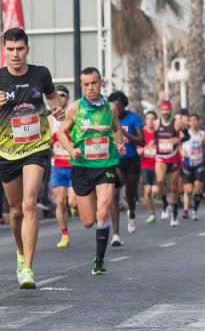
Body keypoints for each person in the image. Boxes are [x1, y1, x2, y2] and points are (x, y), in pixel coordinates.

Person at [0, 28, 64, 289]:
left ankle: (28, 268)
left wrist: (58, 110)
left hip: (36, 146)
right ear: (5, 50)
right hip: (7, 151)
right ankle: (20, 253)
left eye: (20, 49)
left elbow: (54, 99)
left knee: (30, 203)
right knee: (15, 211)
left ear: (27, 50)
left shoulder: (40, 74)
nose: (15, 54)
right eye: (10, 49)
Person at [55, 67, 125, 276]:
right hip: (82, 167)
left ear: (101, 83)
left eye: (93, 83)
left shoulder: (110, 108)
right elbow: (60, 132)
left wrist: (120, 145)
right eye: (85, 84)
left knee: (103, 210)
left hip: (105, 165)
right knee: (88, 221)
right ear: (81, 86)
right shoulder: (75, 108)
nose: (90, 88)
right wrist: (71, 150)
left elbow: (116, 128)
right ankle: (91, 205)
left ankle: (99, 260)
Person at [109, 91, 143, 237]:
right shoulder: (107, 119)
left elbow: (142, 141)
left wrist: (124, 133)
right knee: (114, 194)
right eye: (115, 108)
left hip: (131, 160)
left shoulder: (133, 118)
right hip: (115, 160)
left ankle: (132, 212)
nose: (118, 111)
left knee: (130, 195)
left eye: (121, 108)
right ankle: (116, 233)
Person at [48, 86, 74, 248]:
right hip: (57, 165)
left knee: (72, 202)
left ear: (67, 98)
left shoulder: (73, 116)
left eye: (63, 95)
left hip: (73, 165)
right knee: (60, 202)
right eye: (57, 95)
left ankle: (77, 207)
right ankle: (64, 234)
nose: (60, 98)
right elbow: (47, 142)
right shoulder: (50, 120)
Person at [153, 100, 184, 226]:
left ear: (171, 110)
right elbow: (153, 136)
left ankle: (175, 214)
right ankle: (165, 205)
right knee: (160, 181)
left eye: (168, 110)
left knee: (174, 188)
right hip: (160, 157)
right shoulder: (156, 123)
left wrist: (179, 139)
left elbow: (186, 136)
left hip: (173, 157)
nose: (166, 112)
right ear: (160, 110)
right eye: (163, 110)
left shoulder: (177, 123)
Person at [179, 113, 205, 221]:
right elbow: (178, 145)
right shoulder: (185, 133)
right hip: (187, 163)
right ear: (189, 122)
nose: (193, 122)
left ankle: (195, 210)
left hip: (198, 162)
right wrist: (181, 152)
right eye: (191, 120)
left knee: (198, 187)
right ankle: (186, 210)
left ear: (198, 121)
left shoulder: (202, 134)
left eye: (195, 120)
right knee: (188, 189)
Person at [140, 110, 158, 223]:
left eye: (152, 118)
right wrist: (142, 149)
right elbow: (138, 146)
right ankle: (151, 213)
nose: (150, 121)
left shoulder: (159, 132)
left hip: (158, 164)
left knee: (155, 190)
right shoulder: (141, 132)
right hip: (145, 164)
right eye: (148, 118)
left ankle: (165, 203)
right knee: (147, 191)